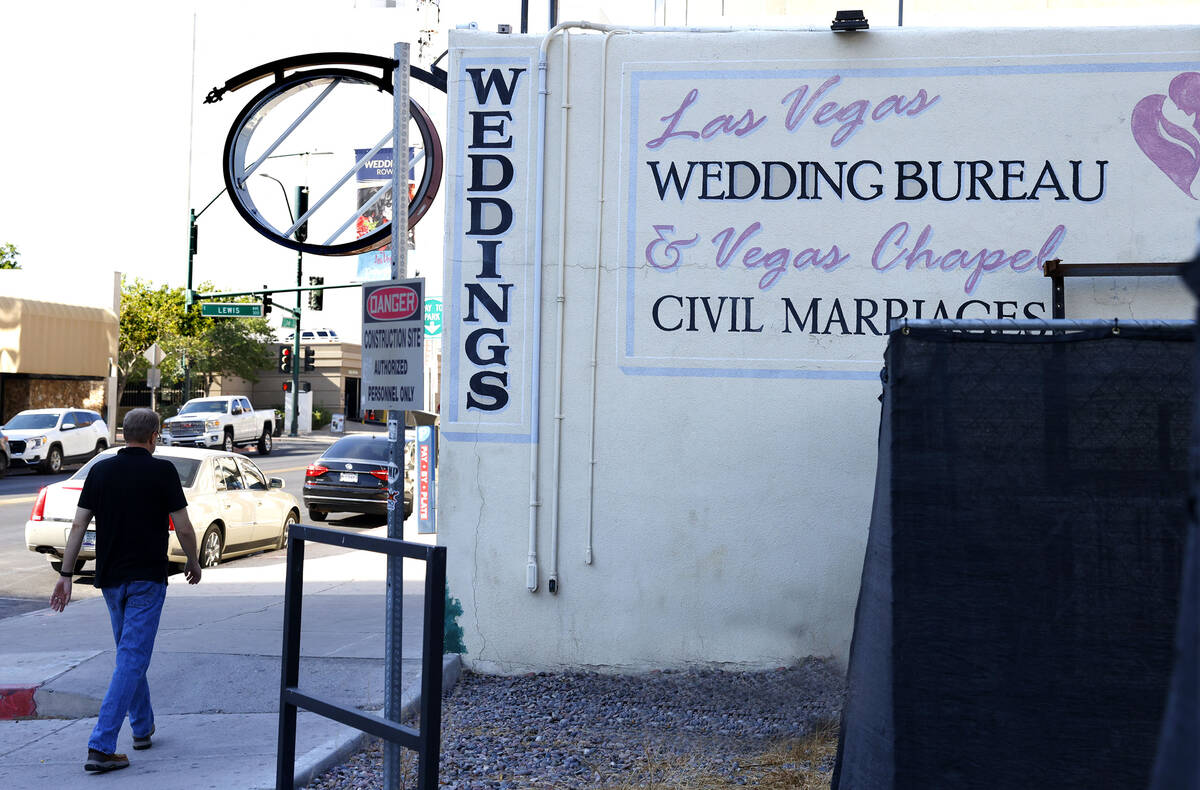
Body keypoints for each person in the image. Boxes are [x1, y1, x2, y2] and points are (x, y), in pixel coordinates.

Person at [49, 408, 203, 773]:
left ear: (124, 433)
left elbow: (77, 526)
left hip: (111, 580)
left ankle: (142, 726)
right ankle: (101, 745)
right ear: (153, 437)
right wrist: (193, 561)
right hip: (148, 579)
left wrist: (66, 573)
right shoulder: (163, 471)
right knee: (132, 658)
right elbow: (183, 527)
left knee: (129, 655)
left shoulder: (101, 471)